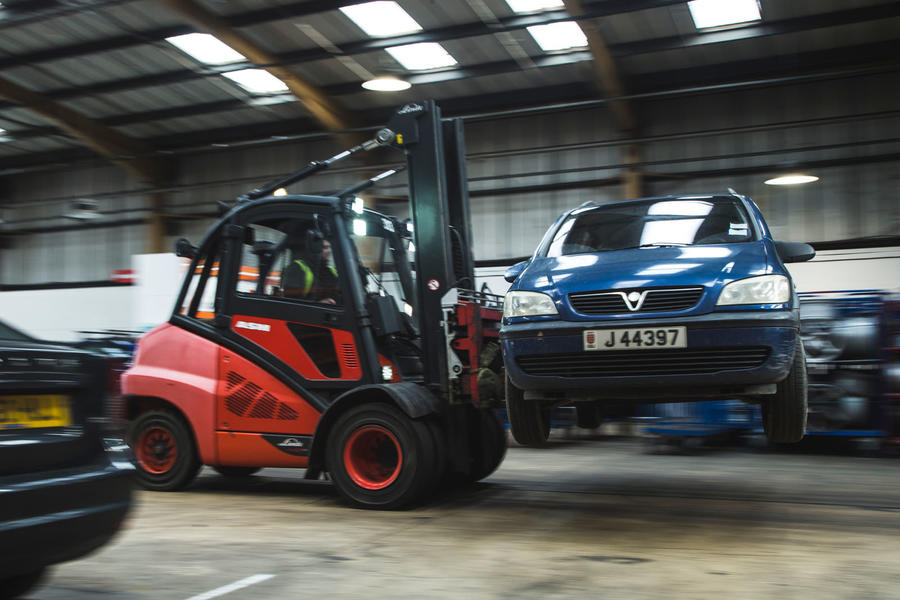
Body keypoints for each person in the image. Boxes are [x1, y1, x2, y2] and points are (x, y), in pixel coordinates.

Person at [281, 234, 340, 305]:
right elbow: (291, 302)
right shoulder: (297, 268)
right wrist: (318, 304)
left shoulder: (332, 271)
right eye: (325, 247)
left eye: (330, 247)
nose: (329, 251)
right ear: (314, 249)